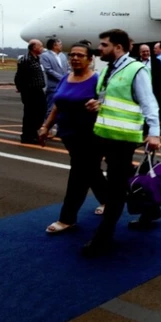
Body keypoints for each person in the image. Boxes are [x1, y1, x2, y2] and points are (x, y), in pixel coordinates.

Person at [81, 29, 161, 257]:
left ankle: (102, 239)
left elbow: (149, 103)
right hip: (103, 133)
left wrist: (154, 133)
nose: (100, 49)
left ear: (118, 47)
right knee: (92, 169)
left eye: (104, 45)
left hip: (123, 138)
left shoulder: (136, 69)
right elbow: (110, 98)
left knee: (116, 188)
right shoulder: (108, 69)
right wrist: (97, 104)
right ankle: (150, 209)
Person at [38, 40, 107, 234]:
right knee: (91, 171)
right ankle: (108, 200)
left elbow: (109, 102)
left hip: (92, 135)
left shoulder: (97, 79)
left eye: (80, 55)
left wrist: (101, 105)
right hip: (69, 135)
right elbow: (57, 104)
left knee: (79, 174)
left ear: (90, 59)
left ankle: (67, 218)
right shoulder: (65, 78)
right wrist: (46, 126)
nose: (75, 58)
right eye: (72, 55)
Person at [14, 39, 46, 144]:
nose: (42, 48)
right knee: (30, 114)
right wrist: (21, 88)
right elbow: (19, 76)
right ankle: (27, 136)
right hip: (30, 91)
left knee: (41, 111)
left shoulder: (37, 59)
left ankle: (32, 132)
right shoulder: (26, 60)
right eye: (40, 46)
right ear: (34, 48)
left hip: (38, 89)